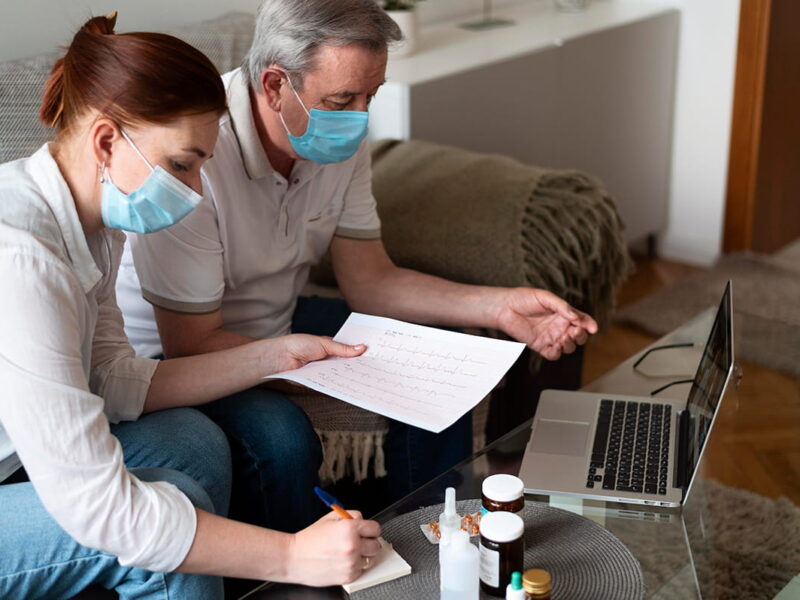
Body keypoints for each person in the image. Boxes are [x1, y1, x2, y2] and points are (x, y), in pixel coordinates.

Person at [116, 0, 598, 506]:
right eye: (343, 99)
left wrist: (499, 307)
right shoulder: (194, 151)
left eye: (371, 95)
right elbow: (192, 345)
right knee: (281, 438)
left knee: (441, 357)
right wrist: (311, 364)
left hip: (278, 320)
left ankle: (434, 531)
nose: (361, 117)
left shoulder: (334, 140)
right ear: (276, 86)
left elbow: (371, 281)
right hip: (178, 354)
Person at [0, 14, 380, 600]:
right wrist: (291, 555)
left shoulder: (96, 227)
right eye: (183, 164)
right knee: (166, 534)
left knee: (192, 442)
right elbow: (98, 508)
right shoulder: (22, 259)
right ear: (106, 142)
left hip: (20, 453)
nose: (197, 191)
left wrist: (275, 356)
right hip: (25, 466)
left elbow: (115, 380)